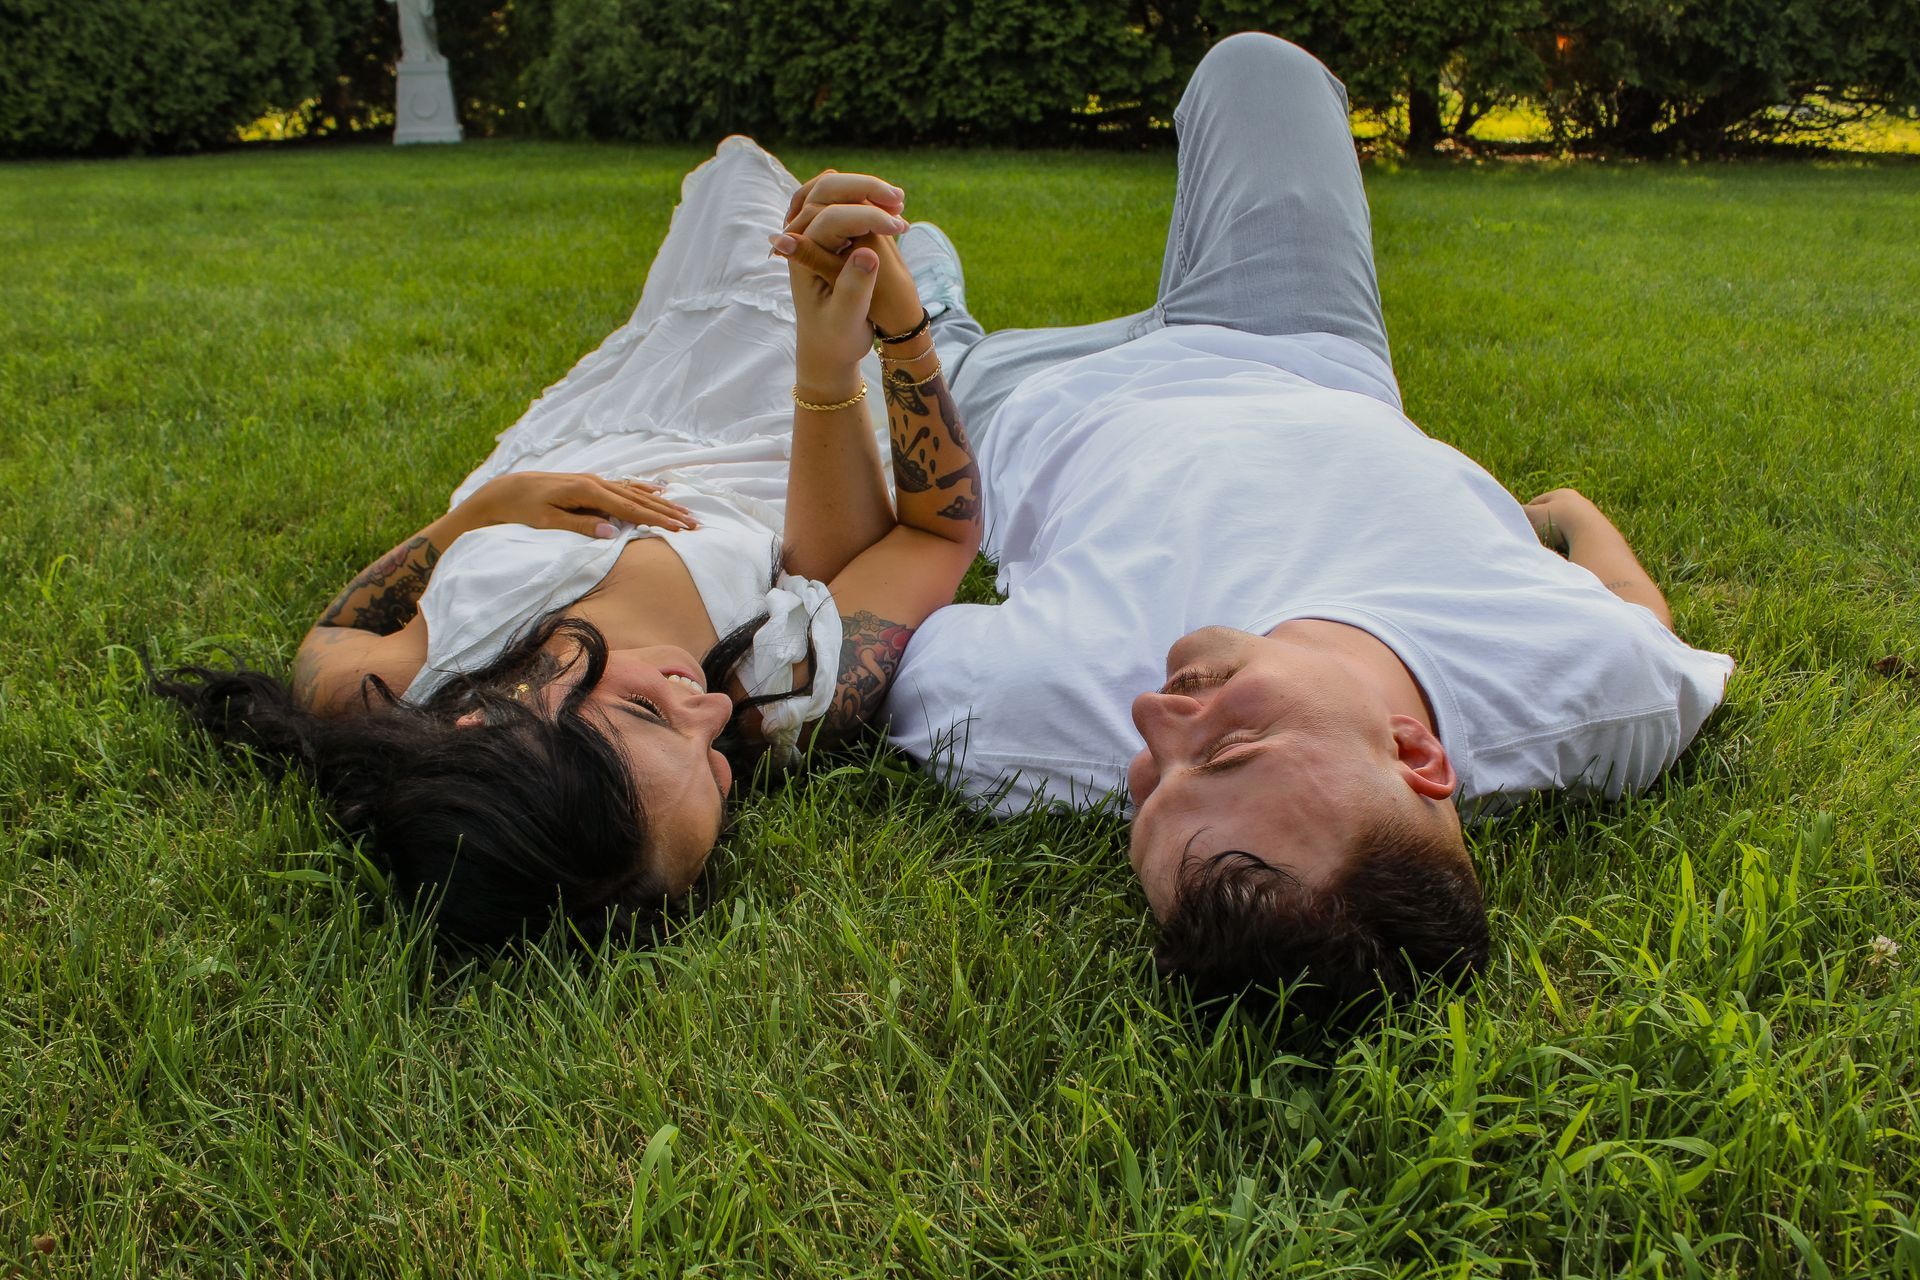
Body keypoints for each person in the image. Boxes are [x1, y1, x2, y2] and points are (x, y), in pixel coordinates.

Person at [835, 35, 1734, 1019]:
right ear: (1418, 755)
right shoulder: (1592, 699)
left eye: (1145, 793)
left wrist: (904, 343)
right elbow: (1644, 622)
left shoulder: (1040, 722)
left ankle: (927, 281)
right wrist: (1570, 514)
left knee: (928, 333)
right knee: (1261, 68)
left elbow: (884, 627)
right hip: (1296, 340)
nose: (1148, 725)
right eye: (1225, 750)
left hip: (1037, 411)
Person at [154, 139, 981, 949]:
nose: (715, 713)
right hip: (780, 412)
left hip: (607, 418)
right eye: (720, 777)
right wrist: (897, 336)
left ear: (482, 722)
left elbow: (323, 645)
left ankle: (917, 266)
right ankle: (934, 293)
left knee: (731, 179)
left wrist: (473, 518)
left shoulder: (422, 676)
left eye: (649, 711)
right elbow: (936, 532)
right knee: (788, 215)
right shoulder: (775, 697)